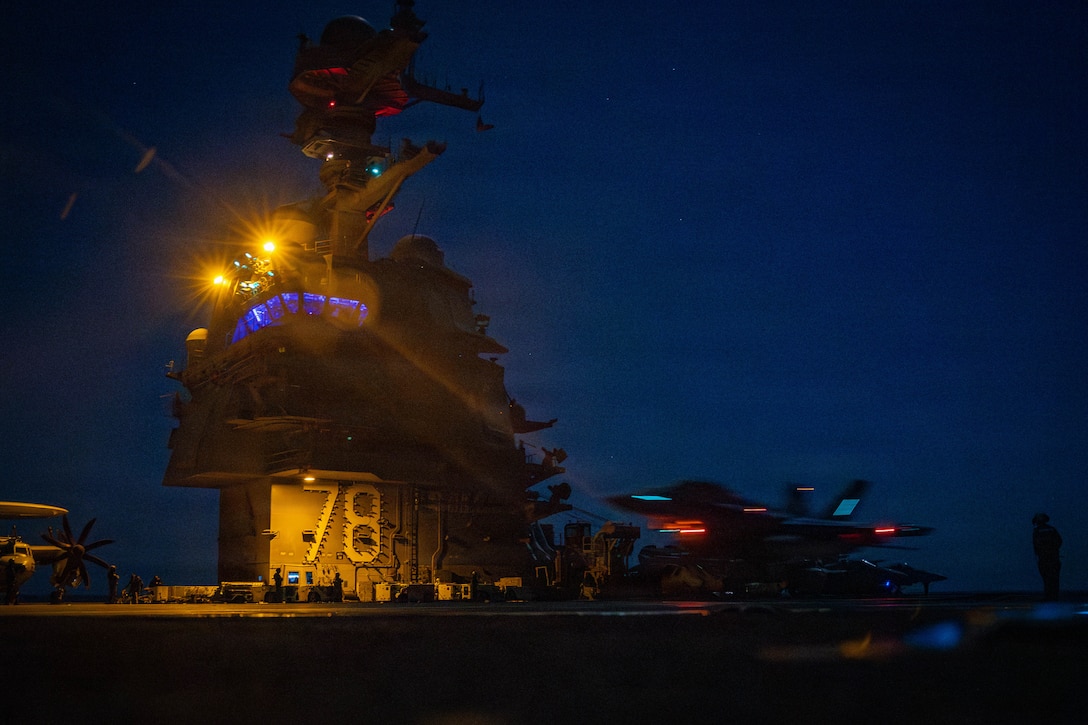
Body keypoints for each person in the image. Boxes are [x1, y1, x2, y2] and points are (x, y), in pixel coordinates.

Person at [1032, 513, 1062, 601]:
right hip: (1054, 558)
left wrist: (1042, 552)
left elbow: (1036, 545)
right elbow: (1059, 541)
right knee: (1054, 578)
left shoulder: (1037, 531)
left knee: (1047, 578)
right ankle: (1054, 597)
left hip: (1044, 558)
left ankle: (1048, 597)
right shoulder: (1052, 529)